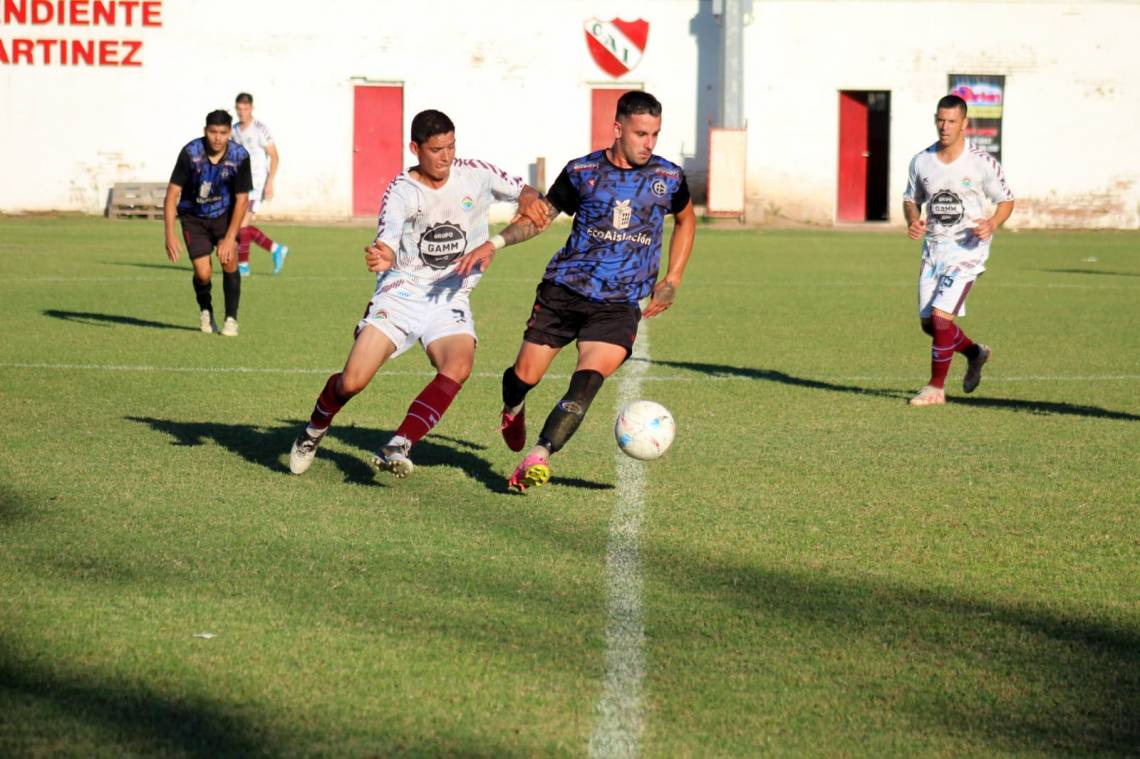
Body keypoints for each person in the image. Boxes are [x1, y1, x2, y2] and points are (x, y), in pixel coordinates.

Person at [457, 90, 697, 492]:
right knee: (523, 376)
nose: (649, 143)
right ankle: (513, 407)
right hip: (564, 291)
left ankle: (538, 456)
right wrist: (494, 244)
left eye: (655, 134)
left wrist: (672, 279)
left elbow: (687, 220)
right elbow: (540, 219)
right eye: (641, 133)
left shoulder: (668, 178)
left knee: (585, 384)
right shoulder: (581, 172)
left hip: (618, 304)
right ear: (618, 129)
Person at [288, 109, 543, 477]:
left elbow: (528, 194)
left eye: (451, 146)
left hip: (449, 297)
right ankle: (314, 429)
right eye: (437, 149)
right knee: (352, 381)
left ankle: (400, 443)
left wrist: (521, 214)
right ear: (415, 148)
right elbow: (388, 240)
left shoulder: (476, 174)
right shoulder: (401, 192)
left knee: (458, 365)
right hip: (401, 293)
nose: (446, 156)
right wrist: (383, 255)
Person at [903, 93, 1015, 406]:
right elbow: (911, 198)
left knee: (941, 319)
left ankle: (935, 388)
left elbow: (1006, 201)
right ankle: (975, 353)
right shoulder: (922, 160)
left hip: (967, 249)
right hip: (934, 249)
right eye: (940, 119)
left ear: (964, 124)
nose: (944, 126)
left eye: (951, 121)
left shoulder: (981, 163)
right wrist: (913, 220)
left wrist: (992, 223)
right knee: (930, 325)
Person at [163, 109, 252, 336]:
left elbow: (242, 200)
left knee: (229, 260)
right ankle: (206, 310)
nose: (217, 137)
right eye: (213, 132)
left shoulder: (240, 156)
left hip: (224, 216)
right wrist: (170, 234)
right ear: (206, 131)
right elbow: (173, 193)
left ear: (229, 133)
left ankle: (231, 318)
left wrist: (230, 238)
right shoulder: (191, 153)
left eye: (222, 132)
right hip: (194, 218)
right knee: (203, 273)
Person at [232, 92, 289, 277]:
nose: (242, 113)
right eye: (239, 109)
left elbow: (274, 155)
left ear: (252, 108)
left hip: (256, 184)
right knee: (240, 226)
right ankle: (276, 249)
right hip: (239, 184)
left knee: (241, 225)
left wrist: (270, 181)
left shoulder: (260, 129)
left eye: (245, 109)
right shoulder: (234, 131)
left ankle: (243, 266)